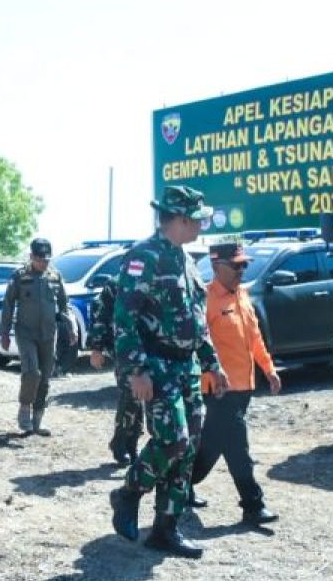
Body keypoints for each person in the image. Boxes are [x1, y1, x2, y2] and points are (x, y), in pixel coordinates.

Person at [109, 185, 228, 559]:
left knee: (188, 447)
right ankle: (128, 492)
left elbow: (196, 322)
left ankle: (166, 528)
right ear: (178, 219)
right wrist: (137, 371)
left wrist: (213, 363)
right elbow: (124, 319)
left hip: (186, 366)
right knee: (171, 441)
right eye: (197, 219)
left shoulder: (185, 259)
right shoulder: (144, 257)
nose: (201, 226)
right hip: (157, 366)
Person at [190, 241, 281, 527]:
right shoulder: (205, 300)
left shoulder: (243, 294)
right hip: (219, 388)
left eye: (245, 265)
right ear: (217, 266)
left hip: (245, 385)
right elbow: (197, 345)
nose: (242, 270)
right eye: (236, 265)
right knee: (237, 446)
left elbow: (254, 338)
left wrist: (269, 369)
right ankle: (253, 504)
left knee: (213, 446)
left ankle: (179, 485)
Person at [0, 237, 73, 436]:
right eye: (39, 259)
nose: (43, 263)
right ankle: (24, 409)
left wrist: (71, 326)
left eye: (46, 259)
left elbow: (65, 305)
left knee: (46, 377)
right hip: (26, 332)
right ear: (31, 256)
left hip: (48, 334)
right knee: (32, 372)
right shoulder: (19, 276)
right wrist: (4, 332)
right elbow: (8, 305)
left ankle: (37, 420)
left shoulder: (55, 277)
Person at [88, 280, 143, 466]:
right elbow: (101, 316)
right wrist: (96, 348)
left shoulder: (156, 277)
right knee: (131, 395)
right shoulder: (117, 282)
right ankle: (121, 443)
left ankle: (131, 444)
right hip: (123, 347)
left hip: (149, 348)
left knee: (141, 397)